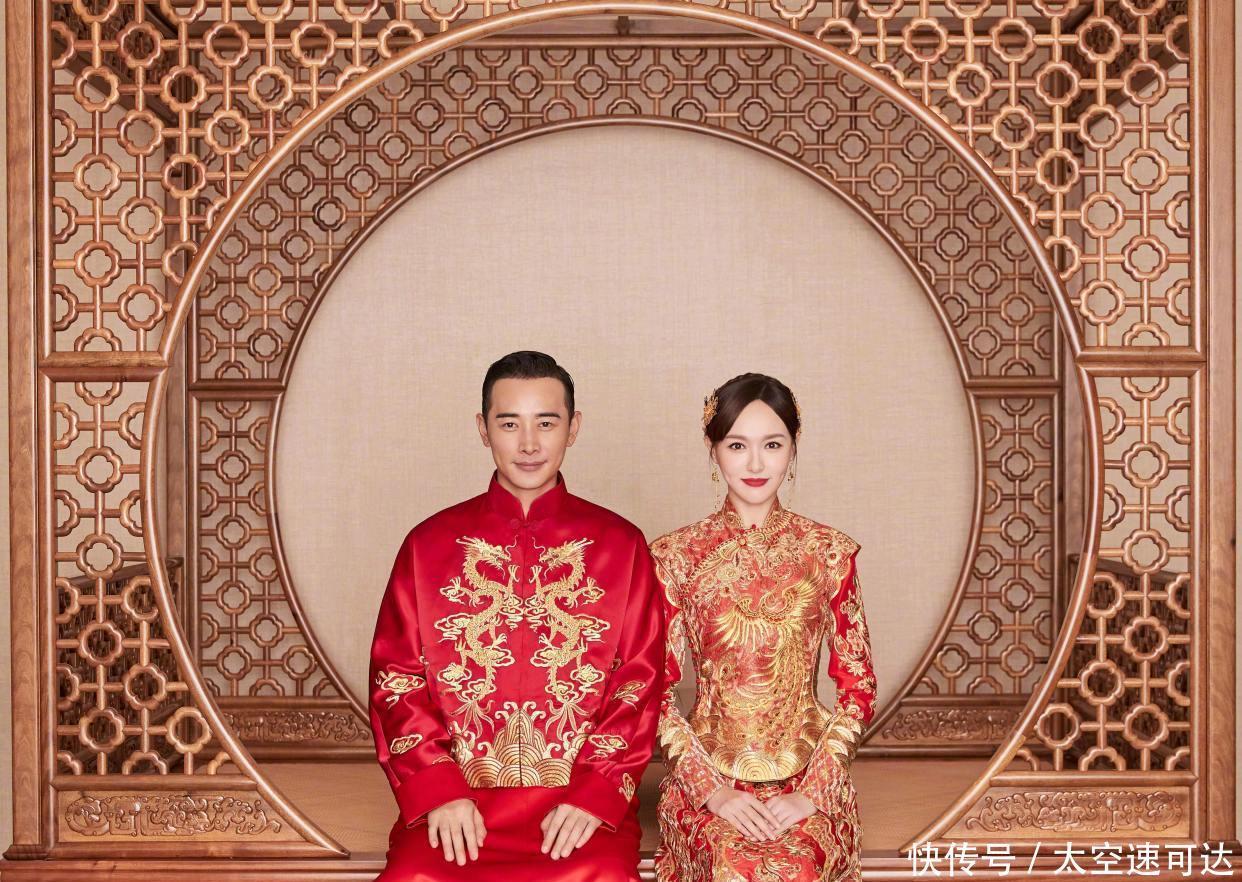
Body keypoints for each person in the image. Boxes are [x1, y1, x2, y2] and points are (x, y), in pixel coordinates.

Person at [368, 351, 666, 882]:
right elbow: (396, 678)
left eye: (546, 423)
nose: (528, 444)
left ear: (573, 427)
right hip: (458, 806)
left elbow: (641, 681)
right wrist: (438, 791)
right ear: (483, 429)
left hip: (576, 808)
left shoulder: (621, 545)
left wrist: (595, 794)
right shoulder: (427, 544)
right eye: (509, 424)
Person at [650, 372, 877, 882]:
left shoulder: (829, 553)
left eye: (772, 445)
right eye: (737, 445)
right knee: (730, 865)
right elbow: (654, 692)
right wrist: (712, 792)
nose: (755, 464)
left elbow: (859, 688)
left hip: (809, 777)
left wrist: (812, 793)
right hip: (709, 778)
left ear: (793, 448)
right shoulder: (675, 556)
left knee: (797, 866)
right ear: (713, 450)